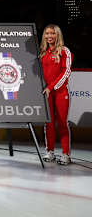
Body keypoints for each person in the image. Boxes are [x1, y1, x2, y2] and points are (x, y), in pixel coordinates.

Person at [40, 24, 73, 165]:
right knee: (48, 123)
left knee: (62, 123)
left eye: (52, 33)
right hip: (46, 93)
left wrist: (51, 87)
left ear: (57, 35)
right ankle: (50, 151)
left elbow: (66, 72)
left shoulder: (64, 51)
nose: (49, 36)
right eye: (47, 34)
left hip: (60, 92)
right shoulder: (43, 53)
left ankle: (65, 154)